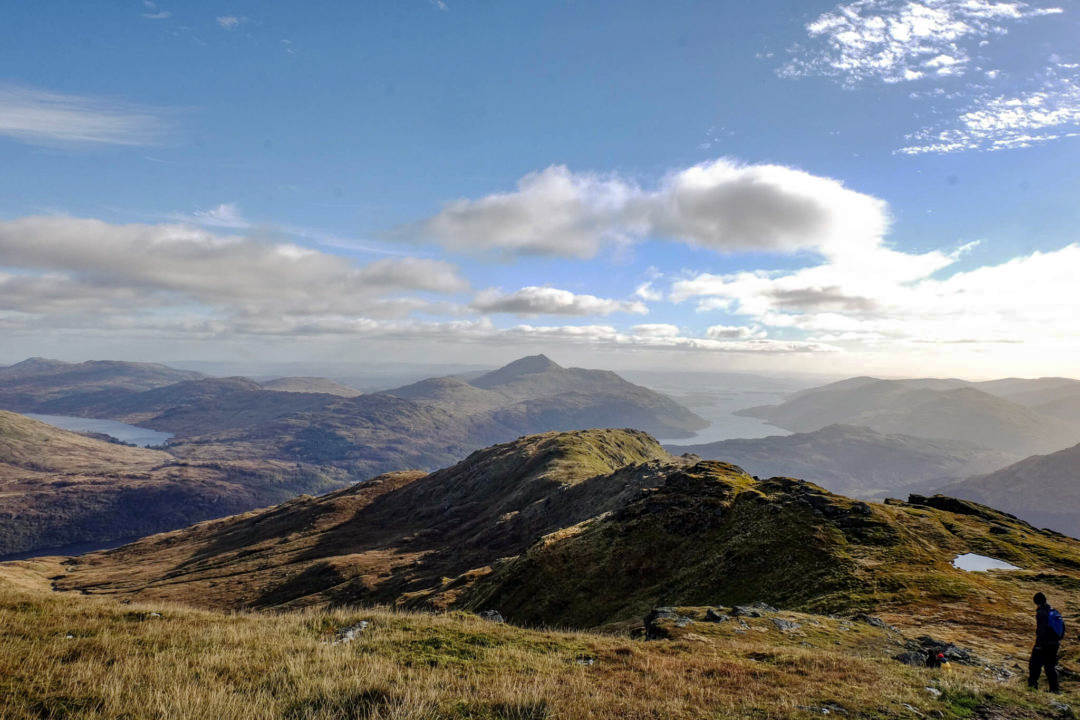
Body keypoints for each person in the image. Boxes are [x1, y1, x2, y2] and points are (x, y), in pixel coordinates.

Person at [1029, 592, 1061, 693]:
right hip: (1055, 643)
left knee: (1034, 664)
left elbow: (1041, 630)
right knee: (1050, 666)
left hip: (1044, 644)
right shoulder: (1053, 611)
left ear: (1036, 602)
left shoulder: (1041, 612)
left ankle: (1032, 686)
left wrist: (1039, 645)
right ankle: (1055, 689)